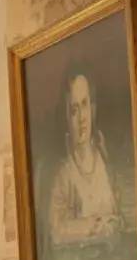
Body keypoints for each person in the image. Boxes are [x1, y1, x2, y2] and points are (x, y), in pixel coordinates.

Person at [47, 72, 121, 247]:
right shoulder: (63, 175)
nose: (82, 118)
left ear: (92, 108)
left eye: (85, 104)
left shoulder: (105, 160)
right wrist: (95, 226)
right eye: (74, 110)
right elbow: (56, 231)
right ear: (65, 118)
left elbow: (120, 216)